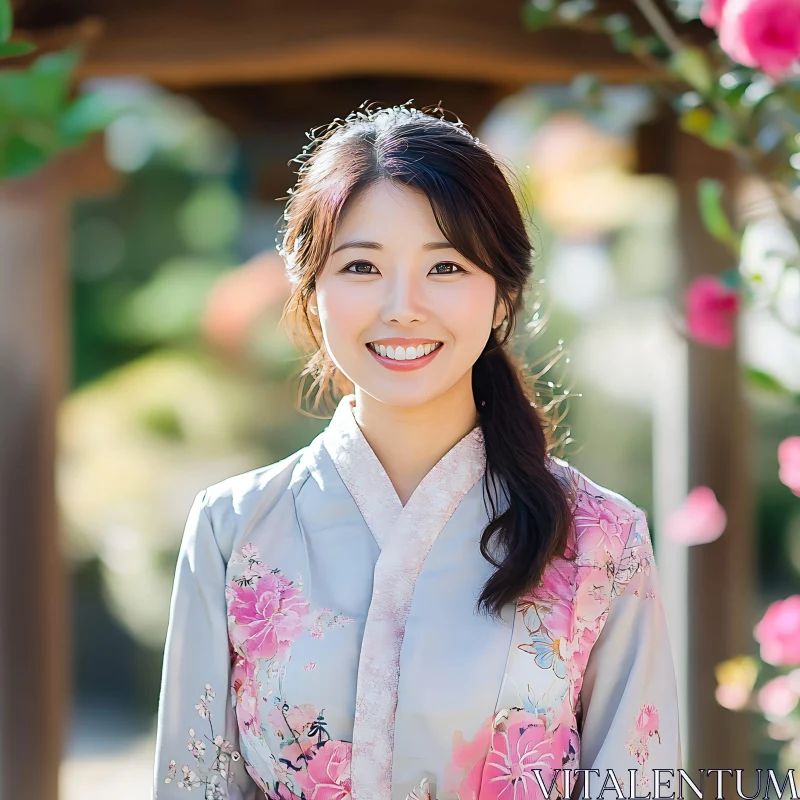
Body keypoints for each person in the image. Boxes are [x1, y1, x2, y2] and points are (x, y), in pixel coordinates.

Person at [152, 102, 682, 800]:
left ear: (502, 296)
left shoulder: (599, 542)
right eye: (363, 266)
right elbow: (193, 786)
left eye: (446, 268)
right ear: (312, 294)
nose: (403, 306)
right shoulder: (232, 530)